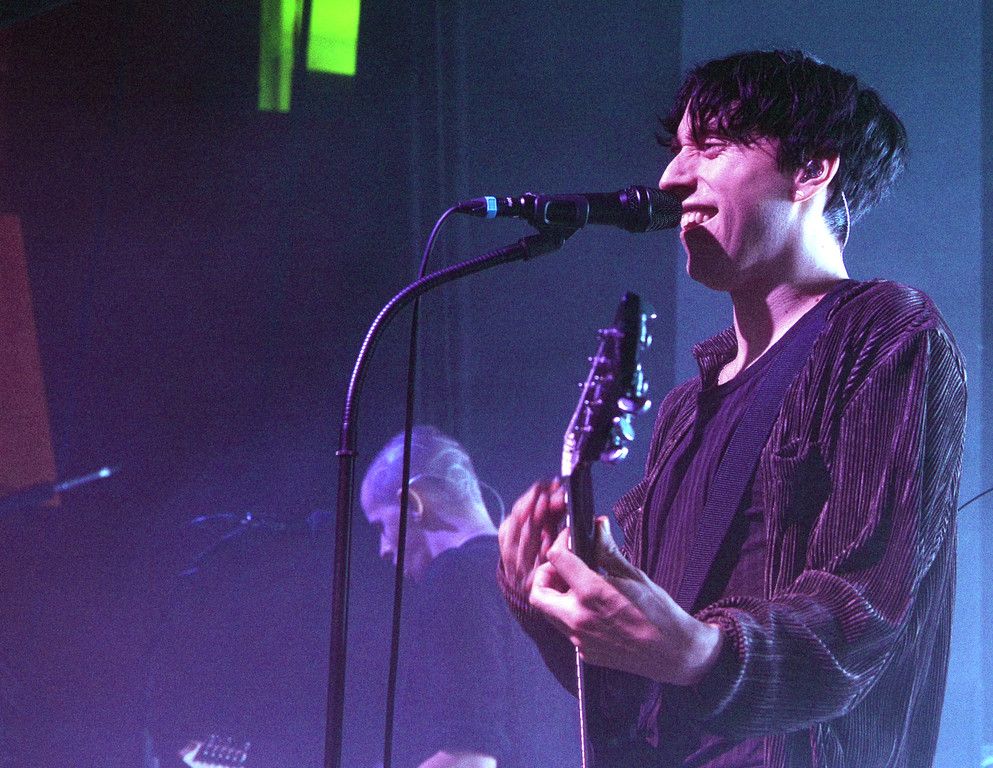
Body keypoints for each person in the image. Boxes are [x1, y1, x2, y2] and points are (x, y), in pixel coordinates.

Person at [497, 50, 966, 767]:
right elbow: (636, 677)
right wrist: (546, 601)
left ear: (811, 169)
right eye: (678, 148)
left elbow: (862, 612)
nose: (671, 177)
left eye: (710, 147)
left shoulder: (885, 334)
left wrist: (702, 650)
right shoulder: (688, 409)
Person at [361, 426, 578, 768]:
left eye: (381, 526)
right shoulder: (534, 576)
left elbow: (471, 759)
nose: (384, 549)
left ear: (413, 503)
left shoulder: (454, 577)